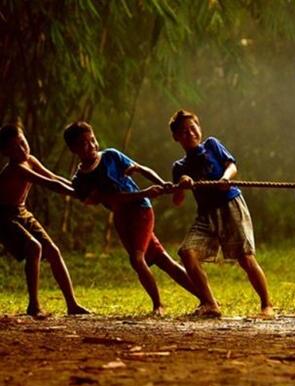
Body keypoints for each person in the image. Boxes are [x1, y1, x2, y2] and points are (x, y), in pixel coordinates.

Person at [63, 121, 202, 316]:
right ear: (73, 149)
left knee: (137, 260)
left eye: (93, 140)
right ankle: (206, 299)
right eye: (85, 144)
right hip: (121, 216)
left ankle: (158, 305)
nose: (92, 146)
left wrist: (163, 184)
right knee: (163, 260)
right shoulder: (80, 179)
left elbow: (140, 169)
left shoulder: (110, 156)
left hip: (140, 210)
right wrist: (144, 192)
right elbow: (111, 198)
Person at [169, 110, 273, 318]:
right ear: (176, 138)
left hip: (230, 204)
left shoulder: (212, 145)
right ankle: (210, 303)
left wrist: (225, 178)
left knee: (245, 258)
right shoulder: (180, 167)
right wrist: (182, 185)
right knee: (187, 253)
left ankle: (267, 305)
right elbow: (177, 200)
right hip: (206, 215)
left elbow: (231, 165)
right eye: (183, 131)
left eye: (192, 128)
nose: (190, 133)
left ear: (199, 128)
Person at [0, 123, 89, 317]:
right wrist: (79, 195)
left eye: (22, 143)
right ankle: (34, 305)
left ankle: (72, 304)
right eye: (14, 147)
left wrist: (80, 189)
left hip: (21, 212)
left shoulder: (30, 160)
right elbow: (49, 184)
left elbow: (54, 176)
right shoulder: (15, 168)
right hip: (3, 216)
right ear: (6, 152)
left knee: (53, 251)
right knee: (34, 247)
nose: (22, 149)